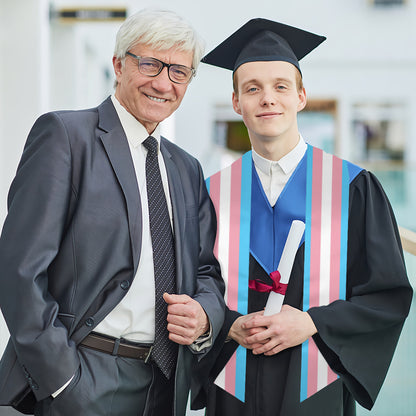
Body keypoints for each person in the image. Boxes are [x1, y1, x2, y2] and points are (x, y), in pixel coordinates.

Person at [0, 9, 225, 416]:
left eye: (179, 72)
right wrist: (62, 381)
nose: (162, 83)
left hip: (164, 382)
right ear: (119, 65)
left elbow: (206, 269)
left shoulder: (186, 168)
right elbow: (20, 270)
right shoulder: (66, 138)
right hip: (83, 376)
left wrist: (205, 316)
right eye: (150, 64)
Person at [191, 18, 413, 416]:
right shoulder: (210, 194)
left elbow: (387, 295)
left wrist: (313, 323)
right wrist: (227, 326)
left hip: (316, 388)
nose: (267, 99)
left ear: (301, 96)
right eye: (252, 88)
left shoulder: (354, 188)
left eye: (280, 86)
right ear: (236, 102)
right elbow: (191, 286)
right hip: (233, 388)